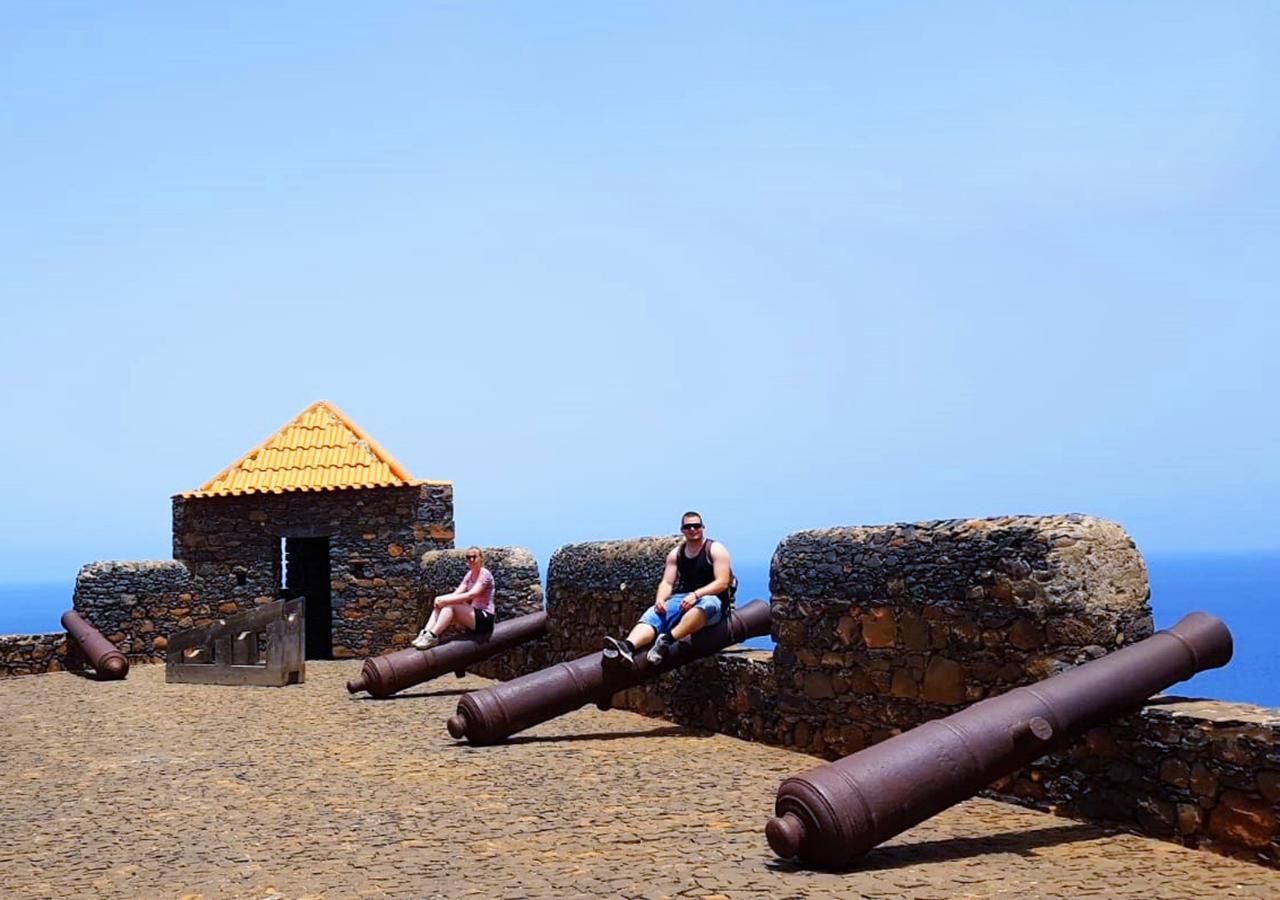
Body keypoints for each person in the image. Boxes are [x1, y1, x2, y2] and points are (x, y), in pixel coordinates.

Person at [602, 511, 733, 668]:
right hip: (683, 598)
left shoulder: (715, 549)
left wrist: (696, 594)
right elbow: (667, 583)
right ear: (682, 530)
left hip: (713, 600)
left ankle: (666, 640)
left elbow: (722, 582)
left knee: (706, 605)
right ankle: (628, 647)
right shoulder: (676, 554)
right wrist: (660, 600)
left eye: (696, 526)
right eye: (688, 527)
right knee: (655, 613)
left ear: (703, 527)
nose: (692, 529)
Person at [412, 547, 496, 649]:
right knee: (442, 604)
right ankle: (426, 633)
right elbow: (456, 594)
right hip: (474, 614)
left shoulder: (485, 574)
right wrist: (440, 599)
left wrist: (445, 600)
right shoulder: (469, 575)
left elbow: (471, 594)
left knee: (451, 604)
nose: (471, 559)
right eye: (468, 557)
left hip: (485, 618)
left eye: (474, 557)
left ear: (481, 558)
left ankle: (433, 636)